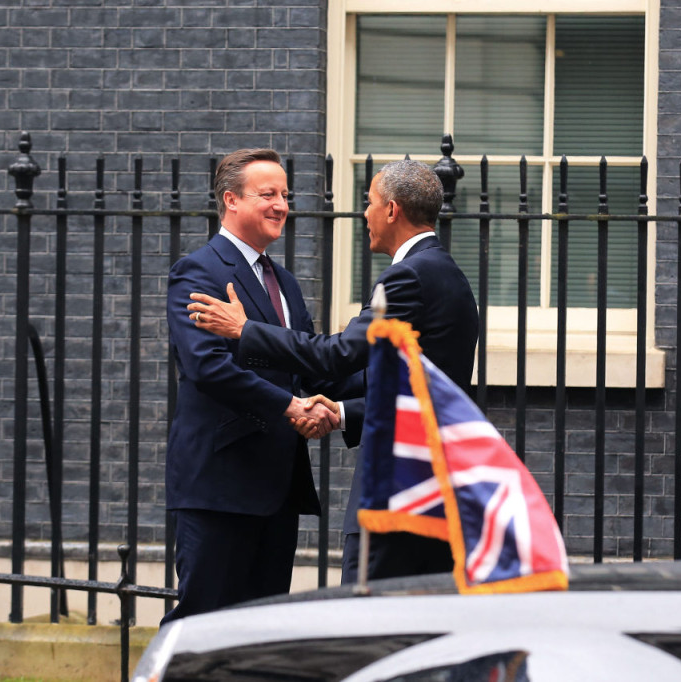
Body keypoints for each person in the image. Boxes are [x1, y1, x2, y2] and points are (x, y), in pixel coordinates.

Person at [187, 159, 479, 583]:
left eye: (370, 203)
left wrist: (245, 329)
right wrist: (340, 412)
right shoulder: (448, 273)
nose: (365, 214)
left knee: (364, 625)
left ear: (392, 210)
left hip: (395, 493)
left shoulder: (407, 277)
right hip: (433, 490)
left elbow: (338, 355)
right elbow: (413, 388)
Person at [163, 148, 360, 625]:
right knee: (201, 626)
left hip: (276, 488)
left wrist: (360, 394)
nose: (281, 205)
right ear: (230, 200)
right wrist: (291, 407)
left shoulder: (285, 283)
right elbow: (207, 367)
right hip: (220, 486)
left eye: (286, 195)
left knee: (256, 630)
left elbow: (308, 369)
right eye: (267, 194)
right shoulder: (199, 271)